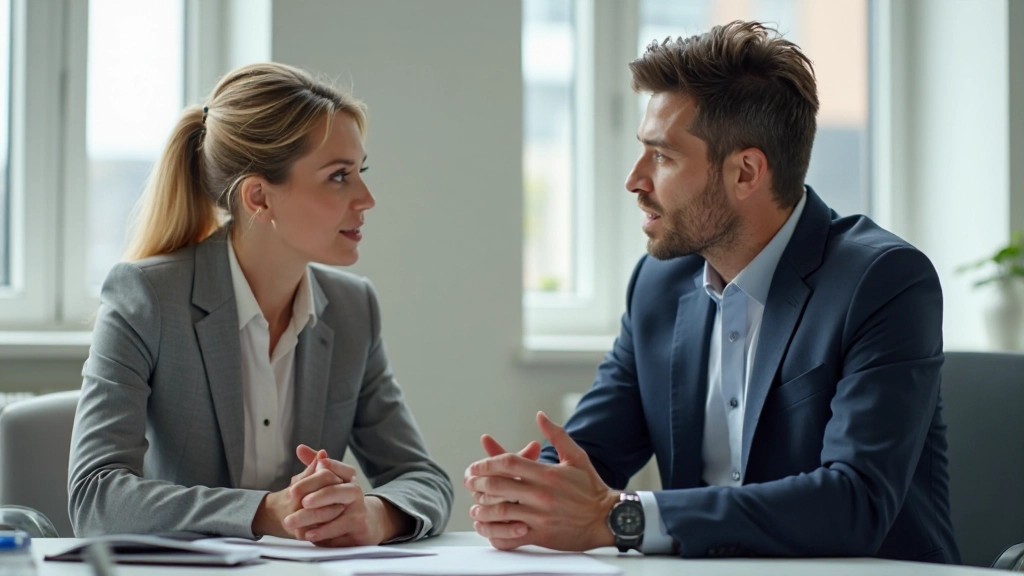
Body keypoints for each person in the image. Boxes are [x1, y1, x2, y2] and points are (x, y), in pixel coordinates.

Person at [465, 21, 959, 563]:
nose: (634, 180)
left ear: (745, 172)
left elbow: (854, 502)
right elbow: (593, 453)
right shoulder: (659, 283)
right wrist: (529, 490)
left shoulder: (883, 281)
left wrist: (620, 518)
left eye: (663, 156)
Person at [68, 62, 453, 545]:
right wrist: (265, 513)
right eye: (339, 176)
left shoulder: (354, 308)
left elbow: (424, 479)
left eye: (361, 172)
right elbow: (96, 499)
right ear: (259, 198)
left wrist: (376, 515)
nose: (367, 198)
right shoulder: (146, 298)